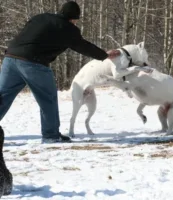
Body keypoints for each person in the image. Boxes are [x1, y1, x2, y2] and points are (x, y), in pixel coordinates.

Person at [0, 1, 120, 143]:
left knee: (3, 96)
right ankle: (51, 135)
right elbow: (82, 46)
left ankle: (51, 134)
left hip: (10, 58)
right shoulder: (67, 28)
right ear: (74, 18)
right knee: (47, 98)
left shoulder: (41, 17)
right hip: (33, 62)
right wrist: (104, 55)